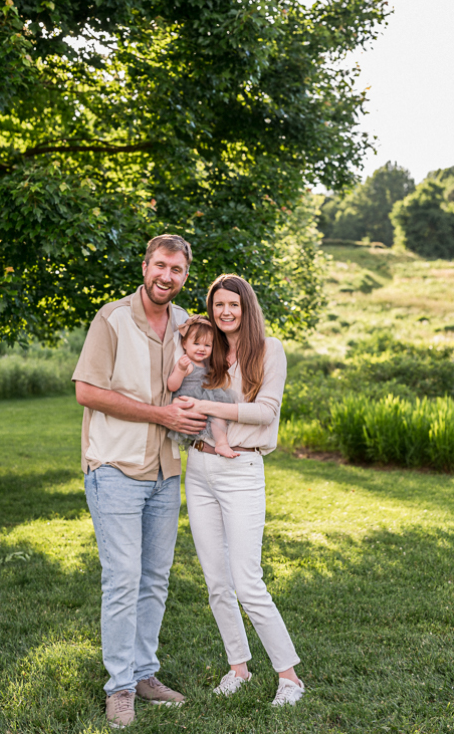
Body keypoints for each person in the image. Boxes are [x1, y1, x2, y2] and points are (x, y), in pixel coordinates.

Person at [72, 234, 208, 729]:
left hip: (166, 471)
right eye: (160, 266)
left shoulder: (188, 326)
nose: (166, 277)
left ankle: (145, 672)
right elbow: (87, 391)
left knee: (155, 579)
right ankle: (120, 687)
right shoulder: (111, 318)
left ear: (184, 277)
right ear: (145, 265)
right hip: (115, 469)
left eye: (177, 270)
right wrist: (160, 413)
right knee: (123, 580)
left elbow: (203, 381)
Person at [175, 274, 306, 707]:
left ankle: (289, 678)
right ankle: (239, 668)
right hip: (200, 466)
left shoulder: (269, 350)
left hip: (242, 468)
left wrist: (207, 405)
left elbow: (265, 413)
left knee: (247, 581)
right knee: (216, 581)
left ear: (246, 307)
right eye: (218, 306)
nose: (225, 312)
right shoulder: (207, 349)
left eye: (233, 305)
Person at [166, 315, 237, 458]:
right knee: (215, 414)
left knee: (218, 414)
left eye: (207, 345)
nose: (201, 349)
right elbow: (172, 386)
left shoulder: (205, 364)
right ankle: (220, 443)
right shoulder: (186, 364)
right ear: (185, 344)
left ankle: (221, 443)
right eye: (197, 343)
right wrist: (180, 370)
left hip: (205, 400)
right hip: (189, 402)